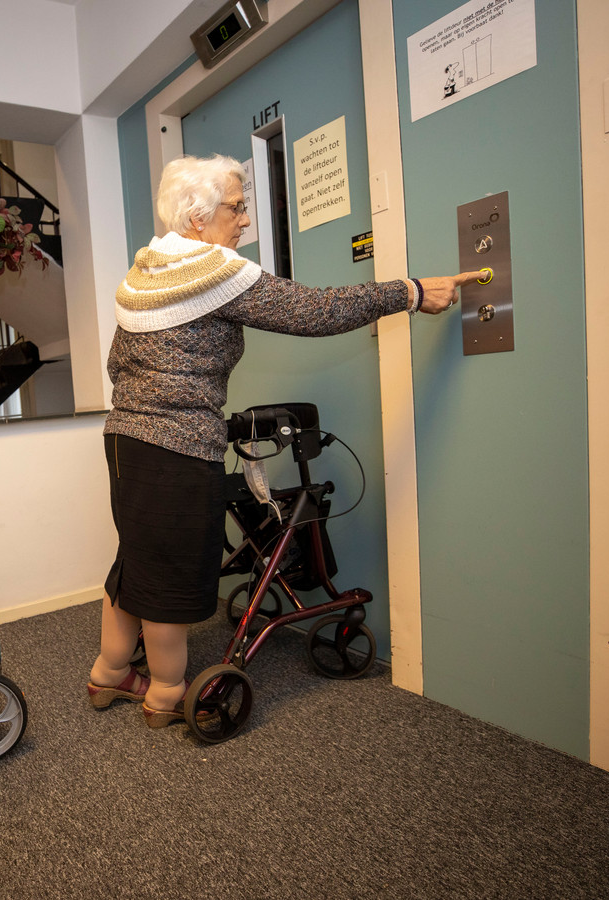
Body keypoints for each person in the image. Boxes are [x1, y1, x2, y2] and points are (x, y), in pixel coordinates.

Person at [88, 154, 481, 726]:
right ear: (197, 217)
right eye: (236, 206)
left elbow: (116, 363)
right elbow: (316, 311)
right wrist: (411, 292)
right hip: (176, 447)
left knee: (137, 557)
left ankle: (110, 672)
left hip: (124, 441)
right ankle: (167, 693)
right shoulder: (215, 272)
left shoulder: (143, 274)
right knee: (171, 571)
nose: (245, 219)